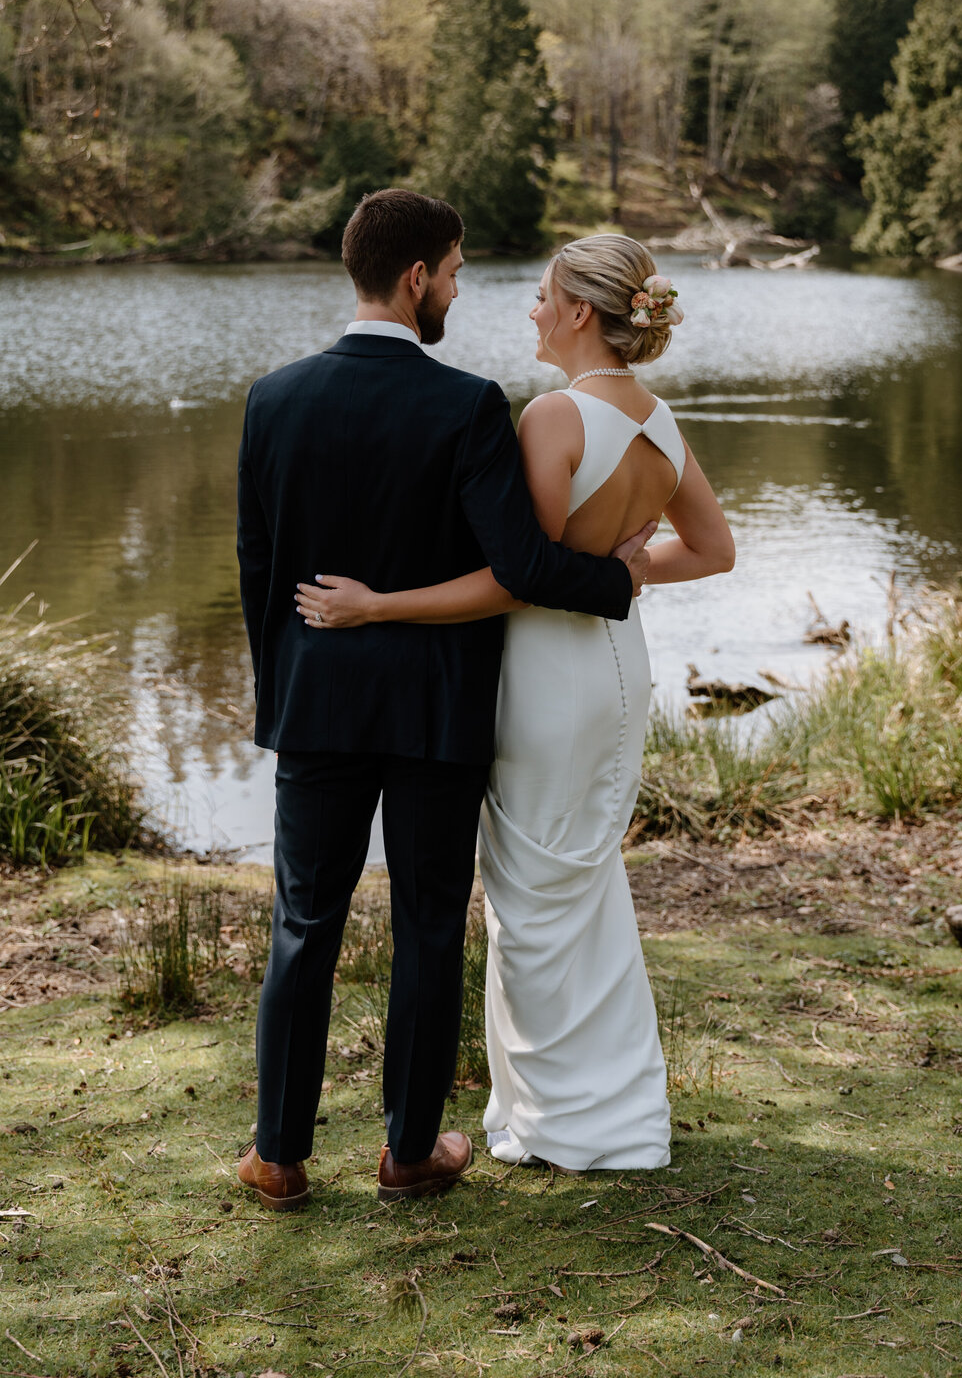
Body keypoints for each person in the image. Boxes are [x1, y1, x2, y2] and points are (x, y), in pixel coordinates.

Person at [236, 193, 656, 1211]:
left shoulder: (273, 398)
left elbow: (260, 569)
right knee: (429, 924)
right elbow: (519, 564)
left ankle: (280, 1158)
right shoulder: (467, 405)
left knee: (304, 922)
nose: (464, 292)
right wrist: (620, 579)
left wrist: (282, 695)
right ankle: (408, 1154)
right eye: (458, 273)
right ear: (416, 277)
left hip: (319, 706)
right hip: (437, 717)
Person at [298, 233, 735, 1173]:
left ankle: (561, 1119)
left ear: (582, 310)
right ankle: (611, 1108)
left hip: (547, 673)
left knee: (531, 896)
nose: (530, 310)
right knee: (583, 880)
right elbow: (710, 552)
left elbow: (517, 578)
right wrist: (621, 572)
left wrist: (380, 604)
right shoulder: (659, 420)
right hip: (620, 666)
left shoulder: (553, 418)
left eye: (542, 296)